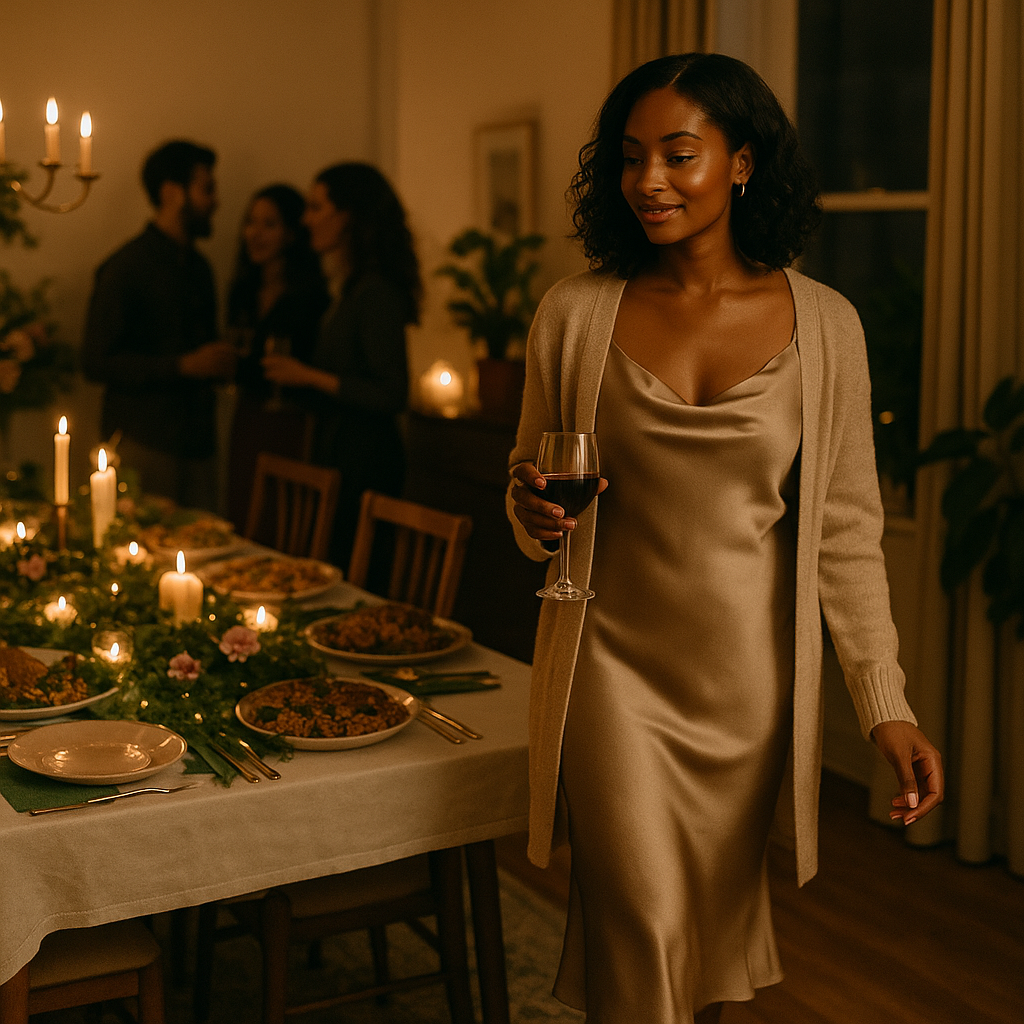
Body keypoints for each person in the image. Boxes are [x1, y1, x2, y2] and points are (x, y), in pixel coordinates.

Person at [507, 53, 943, 1024]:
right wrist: (533, 513)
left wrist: (884, 702)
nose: (647, 181)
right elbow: (528, 479)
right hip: (607, 670)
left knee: (694, 949)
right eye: (630, 158)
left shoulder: (826, 325)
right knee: (646, 924)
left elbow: (844, 533)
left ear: (741, 163)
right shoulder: (574, 314)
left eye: (677, 153)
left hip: (746, 689)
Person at [261, 162, 420, 568]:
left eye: (317, 207)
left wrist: (307, 376)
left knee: (357, 571)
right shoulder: (349, 288)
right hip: (341, 454)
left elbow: (391, 392)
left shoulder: (376, 293)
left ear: (347, 217)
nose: (306, 218)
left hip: (366, 462)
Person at [82, 139, 233, 510]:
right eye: (206, 188)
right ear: (172, 193)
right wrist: (183, 366)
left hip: (199, 442)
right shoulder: (125, 268)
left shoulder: (200, 268)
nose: (215, 200)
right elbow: (96, 362)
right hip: (145, 441)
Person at [224, 184, 329, 530]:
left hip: (293, 420)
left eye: (269, 224)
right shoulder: (242, 291)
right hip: (249, 415)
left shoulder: (312, 294)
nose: (256, 234)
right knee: (243, 506)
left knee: (283, 518)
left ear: (290, 232)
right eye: (251, 222)